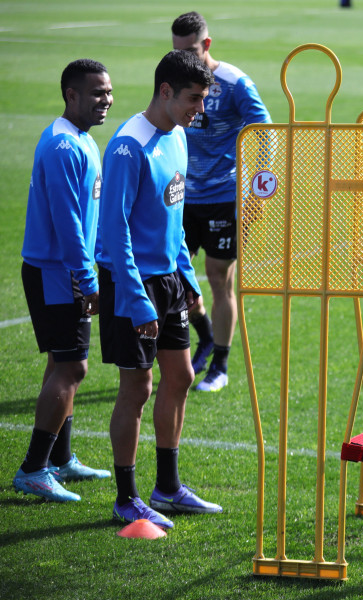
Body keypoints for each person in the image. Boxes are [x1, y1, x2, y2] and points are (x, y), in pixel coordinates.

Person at [96, 50, 222, 530]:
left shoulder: (179, 136)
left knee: (182, 376)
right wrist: (134, 298)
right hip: (134, 283)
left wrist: (188, 281)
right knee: (137, 386)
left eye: (203, 100)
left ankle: (166, 489)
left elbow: (173, 221)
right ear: (165, 91)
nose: (200, 110)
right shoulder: (129, 147)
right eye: (193, 99)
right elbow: (114, 233)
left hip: (169, 279)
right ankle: (126, 498)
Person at [14, 59, 114, 503]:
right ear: (71, 95)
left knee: (62, 363)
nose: (106, 100)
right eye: (96, 93)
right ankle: (34, 468)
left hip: (68, 269)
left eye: (108, 92)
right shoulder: (62, 147)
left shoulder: (82, 140)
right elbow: (68, 222)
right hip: (58, 272)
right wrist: (85, 277)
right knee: (73, 366)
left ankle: (60, 457)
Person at [171, 11, 272, 392]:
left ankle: (220, 366)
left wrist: (258, 192)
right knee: (171, 275)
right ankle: (205, 336)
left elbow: (265, 133)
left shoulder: (232, 83)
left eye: (191, 50)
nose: (185, 58)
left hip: (224, 198)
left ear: (206, 45)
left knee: (218, 278)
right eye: (178, 51)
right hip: (180, 196)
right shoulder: (174, 80)